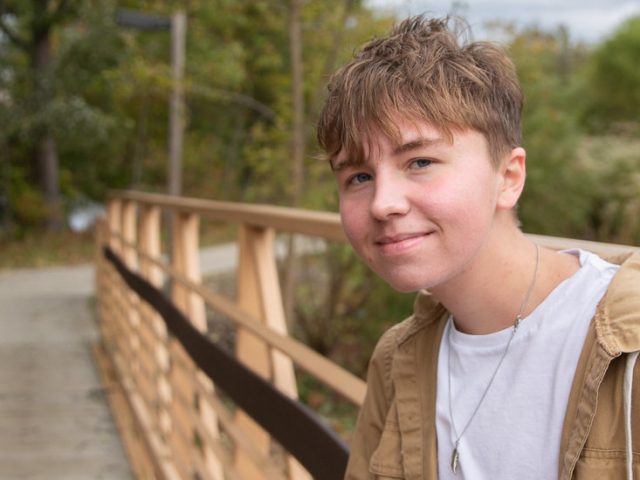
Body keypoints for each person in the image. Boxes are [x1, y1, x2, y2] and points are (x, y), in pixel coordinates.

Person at [316, 16, 640, 480]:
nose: (383, 203)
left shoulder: (627, 346)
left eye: (420, 161)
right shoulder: (397, 360)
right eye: (359, 177)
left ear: (508, 178)